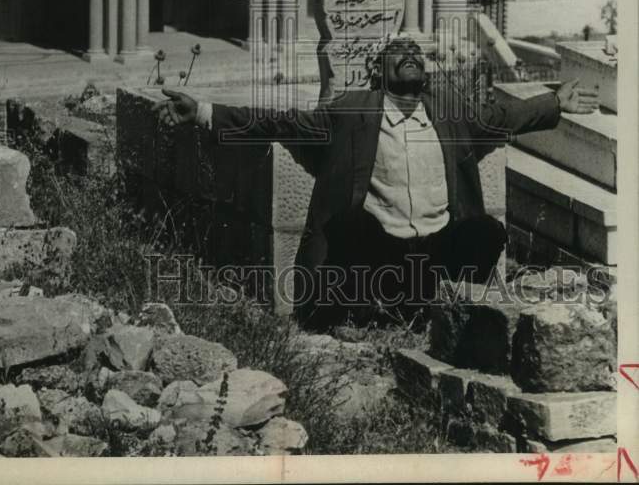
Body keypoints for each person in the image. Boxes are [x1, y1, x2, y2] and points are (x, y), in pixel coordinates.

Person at [156, 34, 598, 330]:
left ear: (424, 72)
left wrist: (554, 102)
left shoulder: (448, 110)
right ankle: (369, 309)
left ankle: (447, 311)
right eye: (397, 51)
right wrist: (202, 111)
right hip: (380, 252)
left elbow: (505, 117)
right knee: (349, 226)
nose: (409, 53)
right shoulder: (352, 111)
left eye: (416, 52)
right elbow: (280, 122)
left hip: (437, 252)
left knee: (487, 232)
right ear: (377, 71)